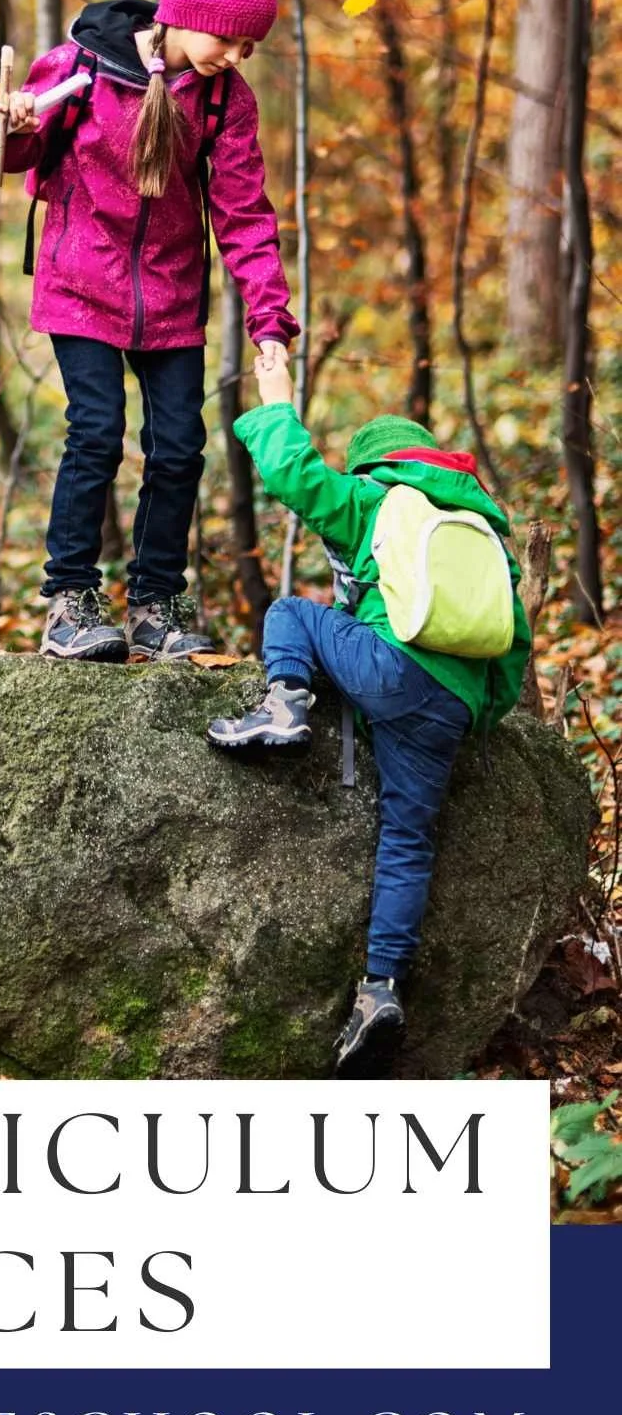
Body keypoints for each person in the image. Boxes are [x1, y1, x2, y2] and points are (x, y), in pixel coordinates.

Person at [0, 0, 297, 663]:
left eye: (250, 45)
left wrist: (268, 320)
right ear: (184, 12)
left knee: (181, 446)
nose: (236, 55)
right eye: (230, 37)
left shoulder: (224, 102)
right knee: (95, 431)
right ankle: (70, 599)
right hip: (81, 283)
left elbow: (245, 214)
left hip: (172, 295)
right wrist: (12, 123)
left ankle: (156, 600)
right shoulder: (83, 65)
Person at [210, 359, 529, 1074]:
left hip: (388, 668)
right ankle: (379, 988)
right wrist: (478, 713)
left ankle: (284, 705)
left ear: (376, 463)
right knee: (408, 841)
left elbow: (295, 477)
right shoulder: (481, 523)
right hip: (450, 704)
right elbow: (513, 644)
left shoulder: (377, 499)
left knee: (292, 612)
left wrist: (273, 402)